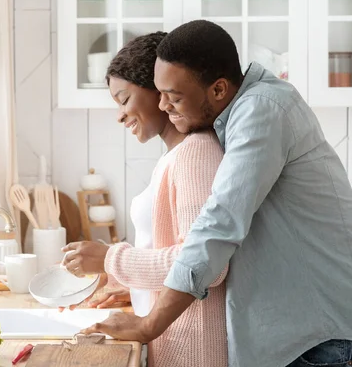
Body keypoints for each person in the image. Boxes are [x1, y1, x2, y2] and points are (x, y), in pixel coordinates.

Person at [79, 20, 352, 367]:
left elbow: (217, 227)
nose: (162, 106)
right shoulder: (235, 119)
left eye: (174, 97)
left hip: (342, 345)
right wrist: (142, 288)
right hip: (321, 343)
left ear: (218, 90)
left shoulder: (261, 111)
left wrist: (149, 325)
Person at [62, 31, 229, 366]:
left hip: (191, 352)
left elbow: (207, 266)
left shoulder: (196, 153)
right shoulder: (176, 155)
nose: (120, 115)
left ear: (159, 89)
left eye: (124, 100)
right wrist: (134, 285)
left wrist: (111, 259)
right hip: (176, 343)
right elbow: (177, 255)